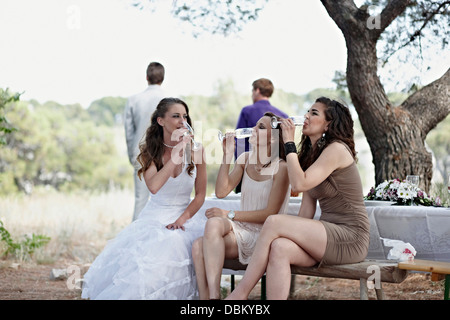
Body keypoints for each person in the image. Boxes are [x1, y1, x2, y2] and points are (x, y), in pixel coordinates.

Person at [226, 97, 370, 300]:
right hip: (327, 235)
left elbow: (299, 184)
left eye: (314, 113)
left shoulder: (336, 149)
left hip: (350, 237)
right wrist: (293, 235)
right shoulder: (312, 155)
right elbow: (306, 210)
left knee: (274, 221)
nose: (306, 117)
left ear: (328, 124)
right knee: (279, 248)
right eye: (308, 112)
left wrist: (289, 142)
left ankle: (240, 294)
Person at [82, 97, 207, 300]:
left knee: (177, 242)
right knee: (151, 263)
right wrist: (175, 155)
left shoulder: (197, 150)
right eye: (176, 116)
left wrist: (182, 219)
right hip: (155, 218)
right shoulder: (151, 151)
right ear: (161, 121)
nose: (182, 121)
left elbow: (200, 194)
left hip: (185, 217)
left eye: (185, 116)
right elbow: (154, 186)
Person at [191, 112, 291, 300]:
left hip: (264, 235)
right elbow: (221, 191)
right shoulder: (245, 159)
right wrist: (227, 156)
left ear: (273, 138)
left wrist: (228, 214)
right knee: (201, 241)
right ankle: (212, 297)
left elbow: (270, 213)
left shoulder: (282, 167)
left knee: (201, 244)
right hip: (242, 230)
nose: (253, 129)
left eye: (260, 127)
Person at [124, 61, 167, 221]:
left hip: (141, 154)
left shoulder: (133, 100)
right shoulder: (171, 99)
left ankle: (134, 243)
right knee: (165, 204)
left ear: (147, 77)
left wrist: (132, 156)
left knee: (140, 203)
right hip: (166, 155)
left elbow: (129, 132)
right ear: (162, 78)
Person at [234, 78, 288, 193]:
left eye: (252, 91)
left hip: (250, 168)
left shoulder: (247, 111)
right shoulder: (283, 115)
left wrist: (238, 168)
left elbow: (240, 140)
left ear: (257, 91)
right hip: (276, 170)